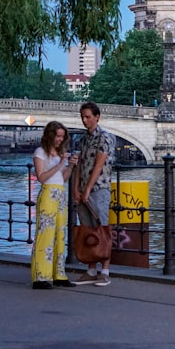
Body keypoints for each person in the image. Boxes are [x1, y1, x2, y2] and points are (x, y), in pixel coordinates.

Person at [72, 101, 116, 286]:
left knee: (102, 227)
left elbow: (99, 165)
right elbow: (80, 164)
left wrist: (88, 188)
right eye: (83, 117)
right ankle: (91, 269)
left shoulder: (105, 137)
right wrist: (76, 187)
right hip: (83, 189)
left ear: (97, 117)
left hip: (99, 188)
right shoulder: (82, 139)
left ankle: (105, 271)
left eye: (88, 117)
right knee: (88, 229)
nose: (85, 120)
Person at [31, 121, 77, 289]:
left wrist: (70, 165)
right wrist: (59, 164)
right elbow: (42, 177)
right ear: (50, 135)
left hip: (60, 193)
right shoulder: (40, 152)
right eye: (58, 136)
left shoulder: (59, 153)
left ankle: (59, 273)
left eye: (62, 137)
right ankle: (40, 276)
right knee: (46, 233)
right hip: (48, 194)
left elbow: (62, 178)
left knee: (60, 233)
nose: (60, 140)